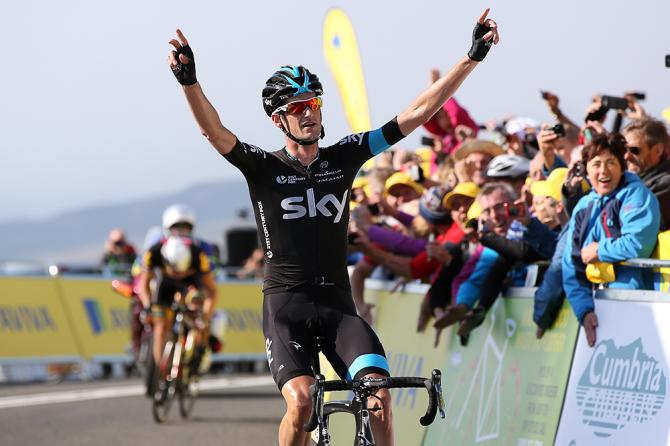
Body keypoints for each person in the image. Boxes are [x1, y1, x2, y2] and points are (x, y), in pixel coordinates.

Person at [167, 10, 499, 445]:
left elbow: (416, 113)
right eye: (298, 108)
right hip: (286, 308)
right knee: (303, 405)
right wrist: (190, 83)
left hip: (338, 306)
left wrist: (470, 58)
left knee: (379, 394)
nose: (309, 114)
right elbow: (215, 133)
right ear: (278, 120)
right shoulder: (262, 167)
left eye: (314, 104)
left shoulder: (344, 155)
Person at [562, 133, 660, 347]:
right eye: (596, 164)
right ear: (586, 169)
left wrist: (599, 250)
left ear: (622, 167)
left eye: (611, 163)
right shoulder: (583, 205)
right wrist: (584, 310)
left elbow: (637, 245)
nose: (603, 171)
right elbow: (571, 264)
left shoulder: (637, 195)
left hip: (633, 304)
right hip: (597, 307)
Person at [138, 205, 218, 389]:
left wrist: (205, 315)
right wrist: (147, 304)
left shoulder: (200, 253)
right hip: (164, 284)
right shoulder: (155, 251)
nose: (181, 230)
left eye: (186, 226)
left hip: (191, 284)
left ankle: (196, 352)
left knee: (197, 309)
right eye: (176, 226)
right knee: (160, 325)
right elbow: (143, 284)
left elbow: (212, 291)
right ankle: (162, 371)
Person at [622, 118, 670, 231]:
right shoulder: (630, 183)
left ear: (658, 150)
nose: (626, 156)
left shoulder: (664, 185)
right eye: (624, 150)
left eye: (634, 150)